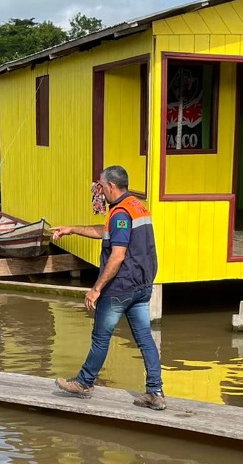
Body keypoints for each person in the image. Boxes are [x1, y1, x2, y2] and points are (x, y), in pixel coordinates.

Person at [51, 165, 165, 411]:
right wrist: (72, 229)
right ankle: (155, 392)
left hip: (121, 287)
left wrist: (96, 288)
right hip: (142, 285)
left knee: (101, 338)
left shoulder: (121, 214)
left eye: (101, 186)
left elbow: (117, 255)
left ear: (111, 186)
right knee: (145, 338)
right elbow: (107, 233)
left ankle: (83, 382)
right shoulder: (136, 206)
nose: (99, 191)